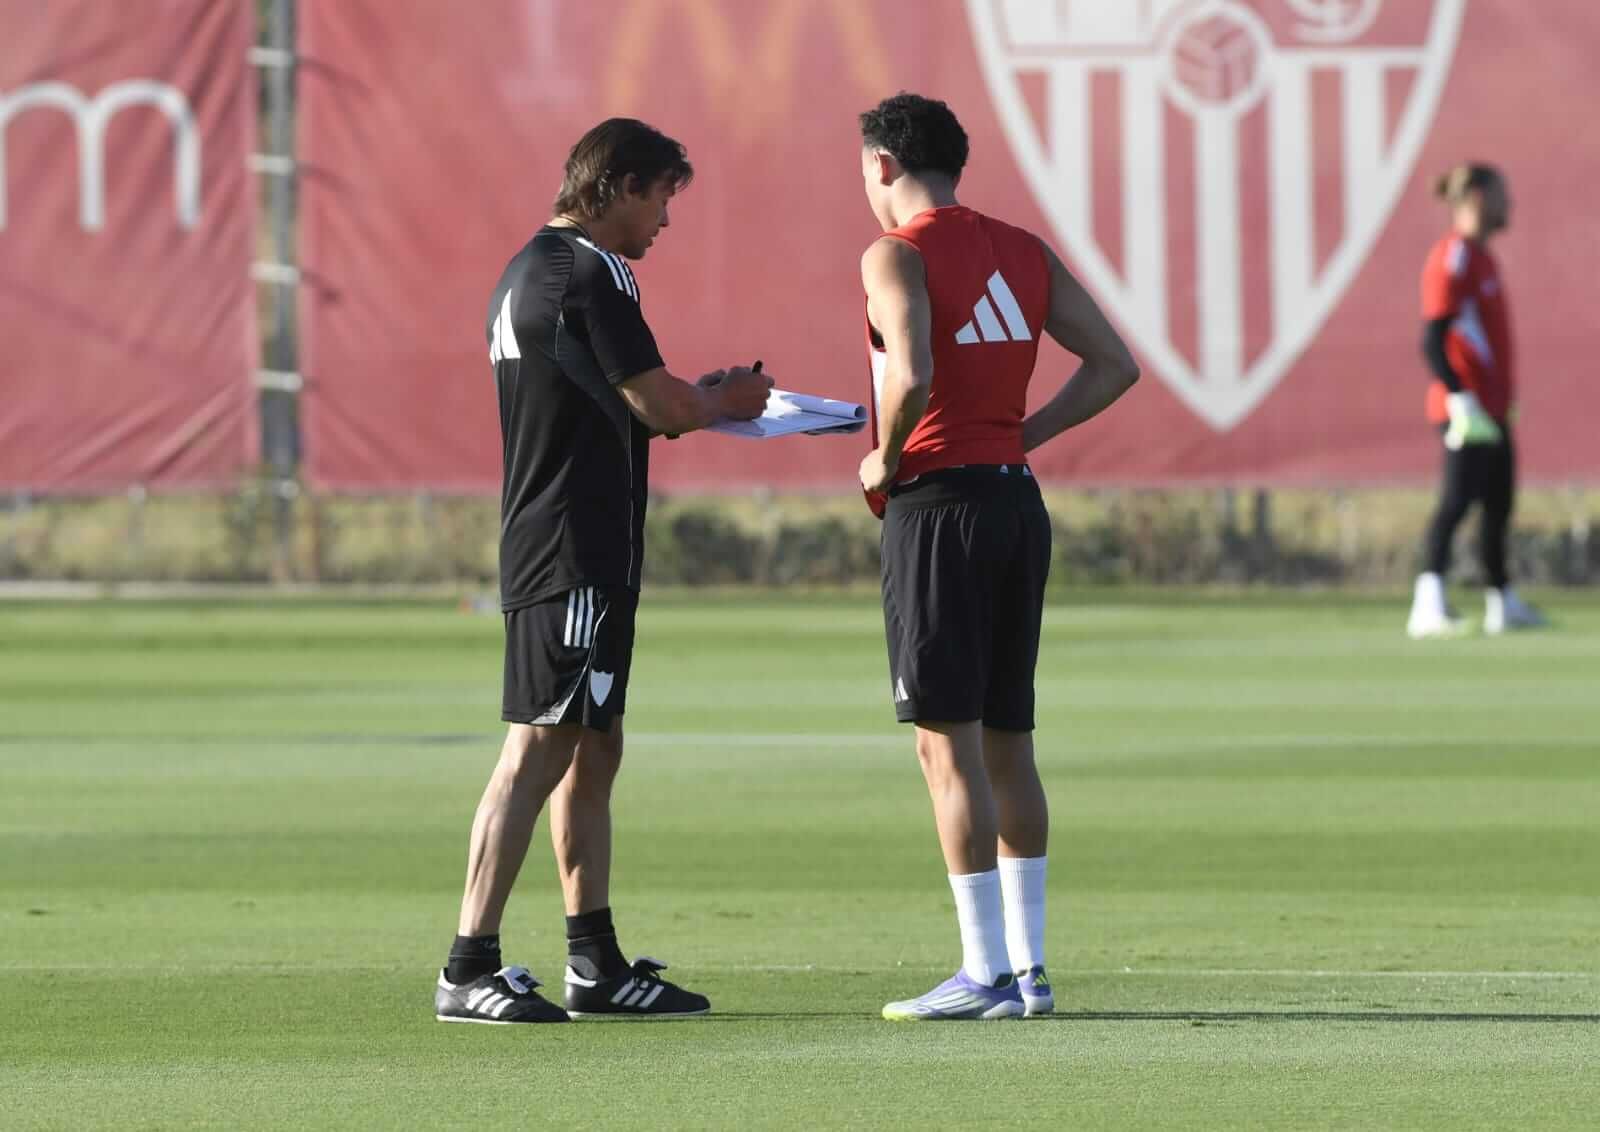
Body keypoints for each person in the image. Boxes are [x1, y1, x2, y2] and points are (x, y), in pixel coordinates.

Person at [434, 118, 772, 1024]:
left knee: (593, 742)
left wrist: (691, 402)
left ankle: (596, 963)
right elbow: (660, 403)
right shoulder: (594, 269)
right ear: (619, 186)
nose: (665, 219)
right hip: (572, 545)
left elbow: (624, 402)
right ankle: (468, 966)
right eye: (662, 196)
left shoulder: (526, 269)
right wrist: (728, 401)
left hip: (567, 539)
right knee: (542, 743)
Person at [855, 93, 1138, 1021]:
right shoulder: (1024, 247)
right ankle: (1030, 970)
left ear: (886, 165)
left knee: (946, 744)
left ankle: (982, 974)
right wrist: (1026, 431)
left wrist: (884, 459)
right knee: (1010, 741)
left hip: (938, 506)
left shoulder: (895, 253)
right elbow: (1113, 364)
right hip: (1016, 501)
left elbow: (914, 370)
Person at [1406, 163, 1544, 638]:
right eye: (1504, 194)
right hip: (1464, 408)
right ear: (1481, 197)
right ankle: (1428, 601)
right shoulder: (1454, 257)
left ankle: (1501, 602)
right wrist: (1459, 397)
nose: (1511, 205)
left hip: (1493, 408)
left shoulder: (1484, 257)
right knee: (1457, 500)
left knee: (1499, 502)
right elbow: (1432, 338)